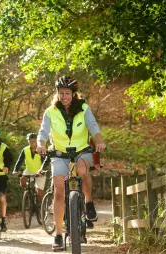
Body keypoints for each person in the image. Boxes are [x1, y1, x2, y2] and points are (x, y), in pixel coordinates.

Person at [36, 75, 106, 251]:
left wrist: (99, 141)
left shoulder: (84, 108)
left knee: (83, 172)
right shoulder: (50, 112)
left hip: (82, 150)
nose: (64, 96)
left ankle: (88, 202)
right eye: (61, 93)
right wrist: (40, 145)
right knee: (59, 192)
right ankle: (59, 235)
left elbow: (93, 126)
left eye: (67, 93)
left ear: (74, 94)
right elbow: (43, 131)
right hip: (59, 154)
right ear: (57, 94)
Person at [13, 133, 46, 203]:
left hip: (39, 171)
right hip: (29, 170)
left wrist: (42, 171)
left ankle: (44, 207)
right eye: (30, 141)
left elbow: (44, 162)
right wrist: (15, 170)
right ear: (28, 141)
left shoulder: (40, 149)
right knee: (22, 181)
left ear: (36, 141)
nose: (32, 143)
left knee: (39, 192)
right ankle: (29, 193)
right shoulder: (25, 150)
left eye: (33, 141)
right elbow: (19, 161)